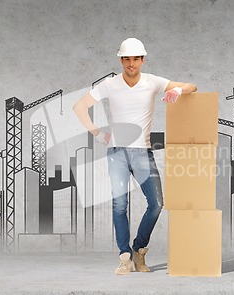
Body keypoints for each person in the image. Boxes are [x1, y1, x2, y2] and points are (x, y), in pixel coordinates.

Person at [72, 38, 197, 275]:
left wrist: (178, 90)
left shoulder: (153, 82)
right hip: (117, 153)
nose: (131, 64)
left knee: (157, 204)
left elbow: (193, 86)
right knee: (120, 206)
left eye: (135, 59)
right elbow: (79, 106)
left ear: (142, 60)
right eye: (126, 59)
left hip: (142, 152)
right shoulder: (110, 84)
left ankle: (139, 250)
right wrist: (98, 134)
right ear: (121, 60)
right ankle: (125, 257)